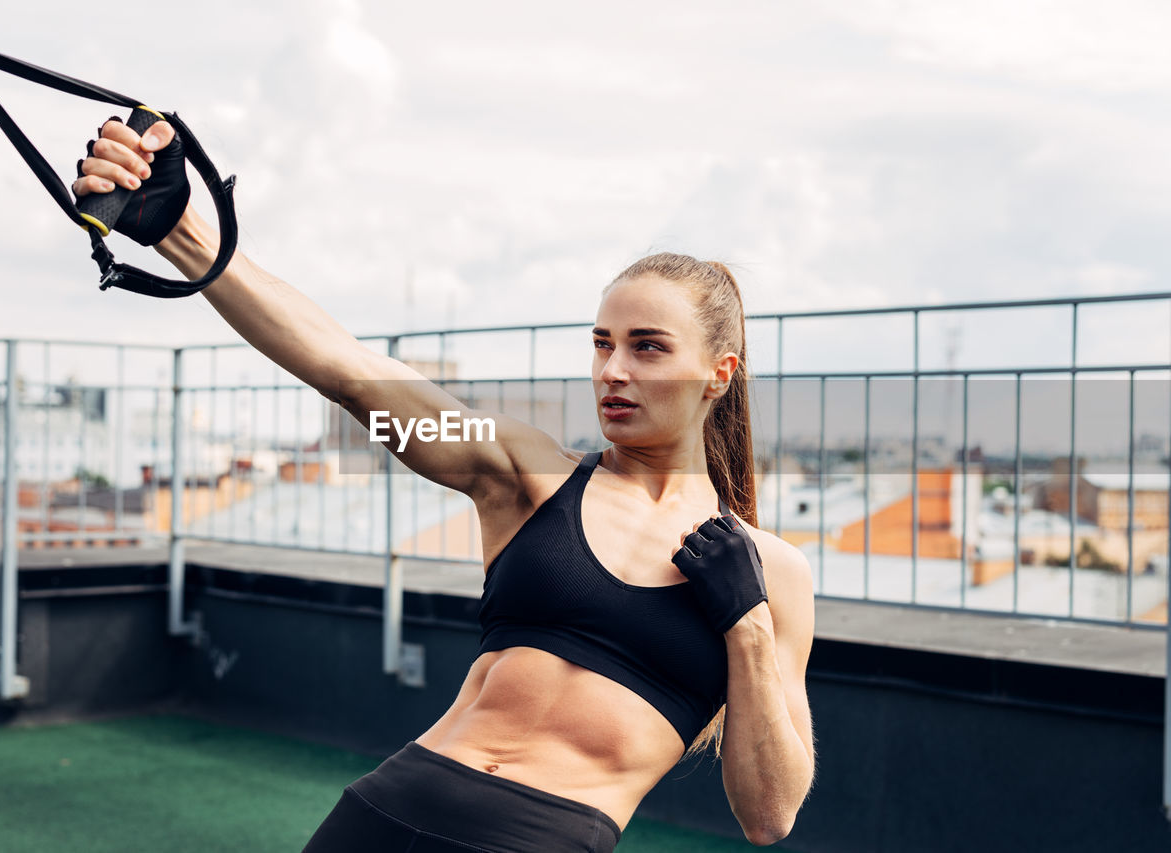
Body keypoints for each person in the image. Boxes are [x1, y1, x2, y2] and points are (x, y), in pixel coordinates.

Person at [74, 117, 817, 852]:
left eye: (647, 347)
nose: (614, 371)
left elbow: (768, 813)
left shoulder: (771, 573)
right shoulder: (526, 475)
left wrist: (746, 623)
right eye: (602, 344)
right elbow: (352, 377)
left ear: (719, 373)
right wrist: (184, 234)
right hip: (387, 810)